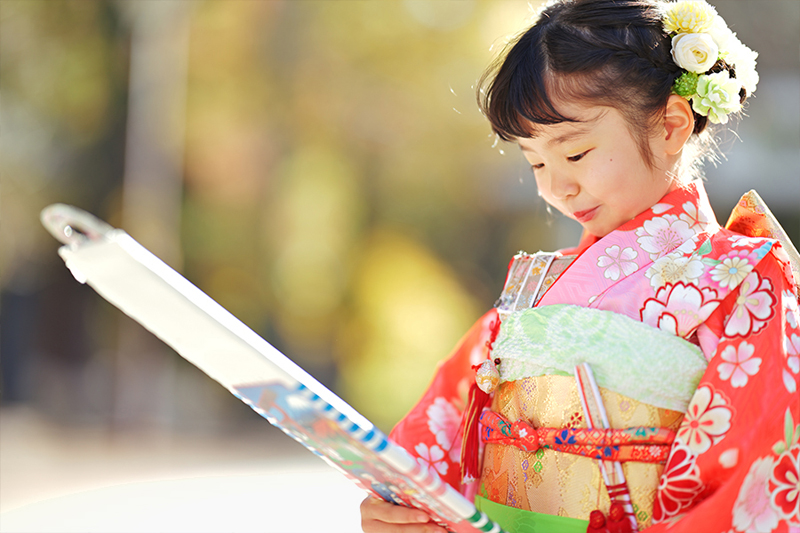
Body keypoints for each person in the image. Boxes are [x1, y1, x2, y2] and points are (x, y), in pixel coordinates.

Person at [361, 0, 800, 532]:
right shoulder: (537, 286)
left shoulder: (743, 278)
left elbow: (752, 477)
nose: (554, 187)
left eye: (574, 154)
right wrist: (408, 501)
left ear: (671, 125)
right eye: (535, 162)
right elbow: (448, 422)